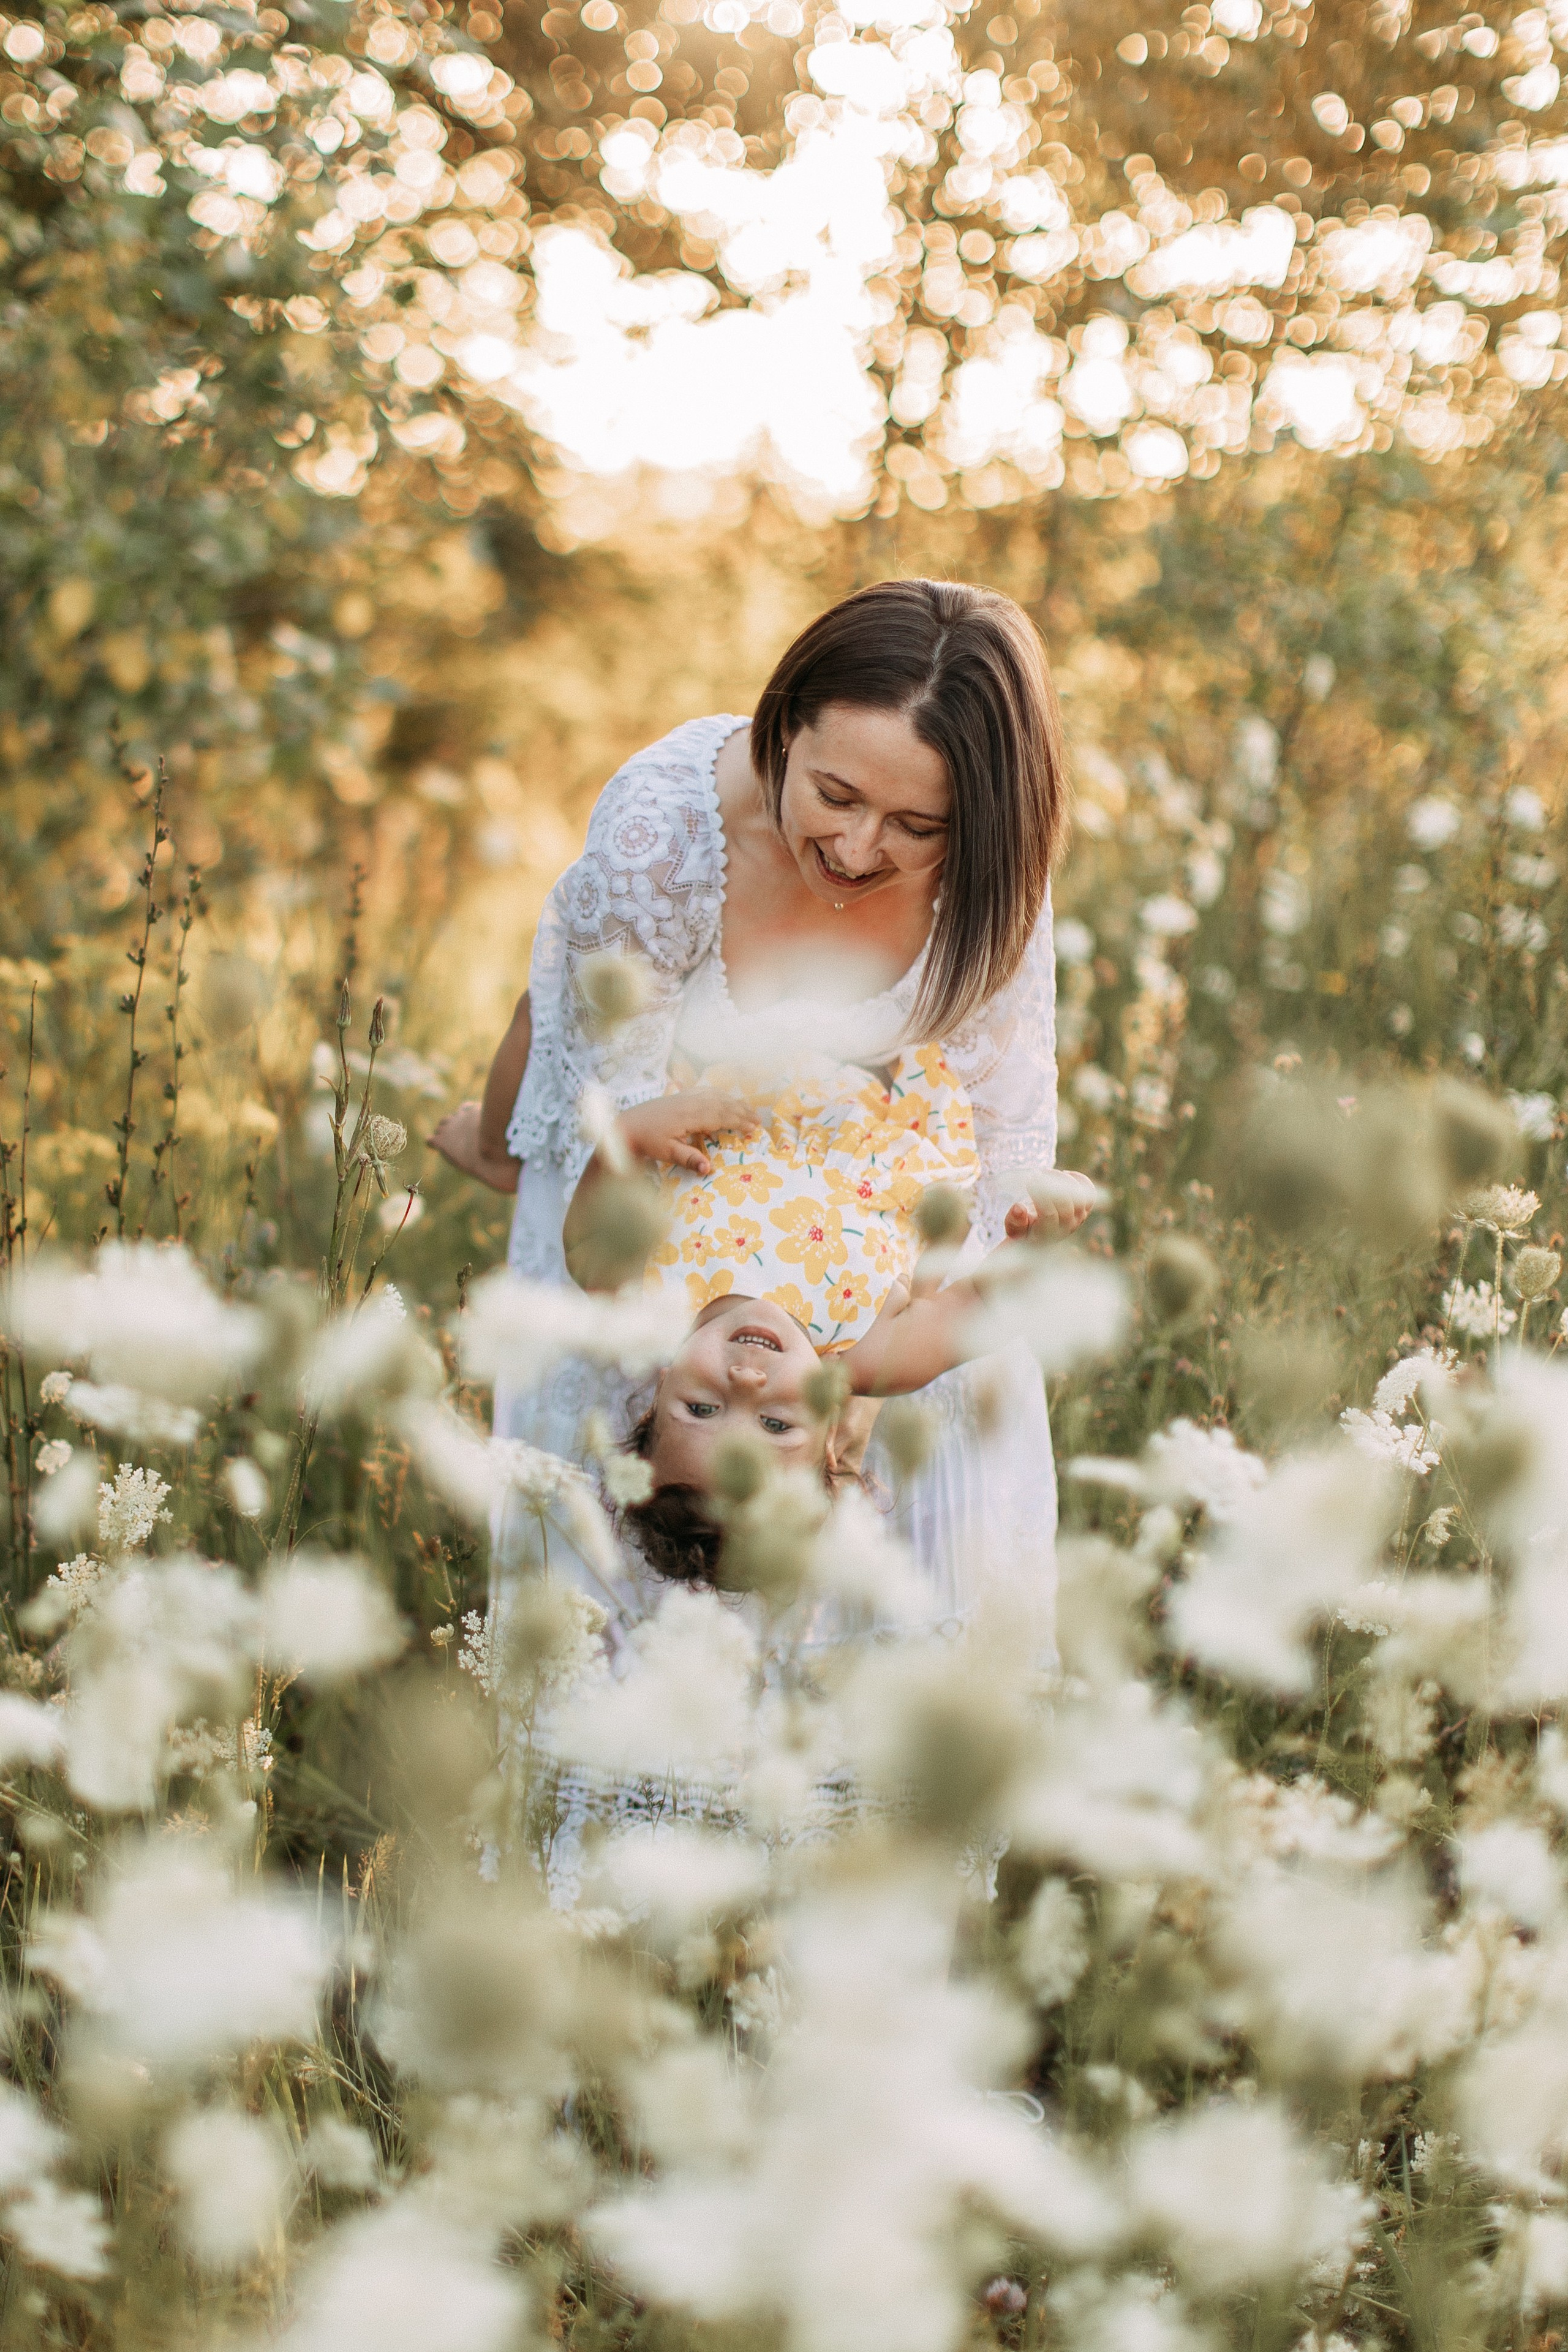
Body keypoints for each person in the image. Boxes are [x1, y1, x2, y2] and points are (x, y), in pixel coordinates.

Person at [431, 577, 1084, 1631]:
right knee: (542, 1042)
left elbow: (1007, 1124)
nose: (861, 850)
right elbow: (611, 1104)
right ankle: (497, 1142)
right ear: (784, 725)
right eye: (836, 795)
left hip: (757, 1162)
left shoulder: (993, 877)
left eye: (917, 824)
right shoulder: (667, 832)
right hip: (654, 1096)